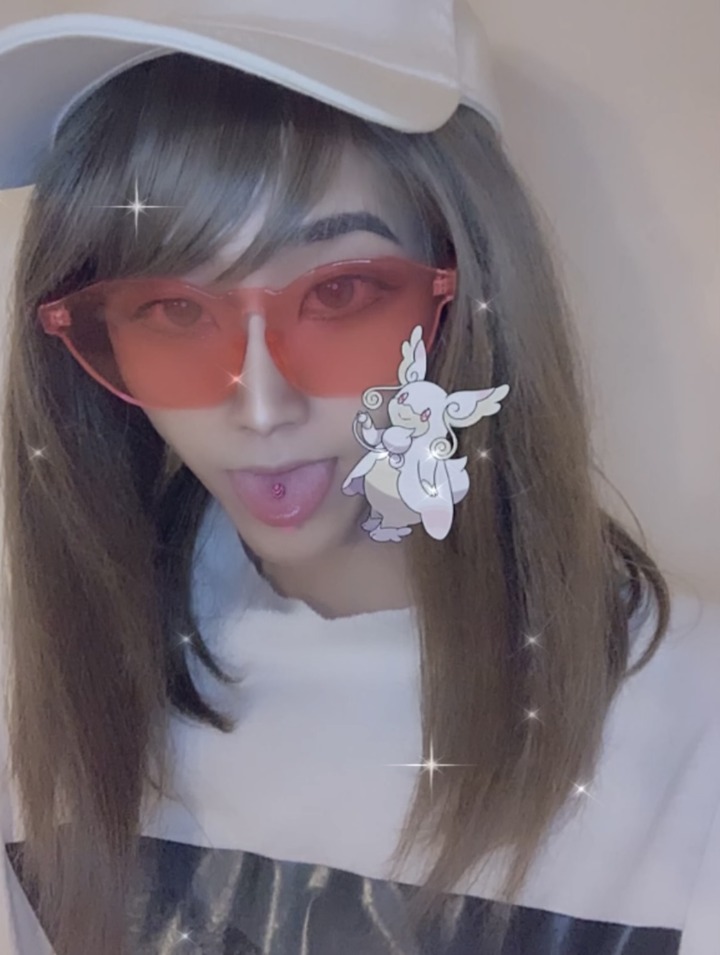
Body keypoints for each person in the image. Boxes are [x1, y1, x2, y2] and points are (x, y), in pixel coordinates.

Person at [0, 2, 717, 954]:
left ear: (471, 288)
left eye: (340, 293)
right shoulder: (57, 691)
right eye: (172, 309)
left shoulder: (689, 742)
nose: (260, 405)